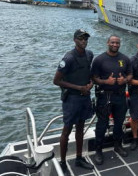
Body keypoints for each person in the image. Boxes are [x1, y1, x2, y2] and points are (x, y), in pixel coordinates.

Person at [53, 29, 95, 175]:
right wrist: (79, 88)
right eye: (81, 38)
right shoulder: (69, 58)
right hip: (72, 99)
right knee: (67, 130)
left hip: (84, 96)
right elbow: (56, 80)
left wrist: (89, 85)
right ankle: (63, 162)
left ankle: (79, 158)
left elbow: (88, 74)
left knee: (81, 127)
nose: (84, 41)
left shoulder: (89, 55)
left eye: (85, 38)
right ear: (74, 40)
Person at [91, 35, 132, 165]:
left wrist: (124, 80)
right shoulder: (99, 60)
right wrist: (105, 81)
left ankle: (118, 145)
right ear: (108, 43)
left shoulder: (125, 59)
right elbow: (93, 78)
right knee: (102, 124)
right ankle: (98, 150)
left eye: (117, 43)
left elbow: (130, 74)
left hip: (120, 96)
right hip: (105, 96)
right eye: (113, 42)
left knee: (119, 123)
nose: (115, 44)